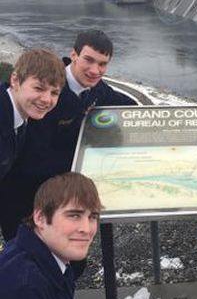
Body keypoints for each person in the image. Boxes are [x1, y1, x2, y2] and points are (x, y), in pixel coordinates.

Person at [0, 29, 137, 241]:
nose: (94, 70)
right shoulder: (50, 85)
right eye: (88, 60)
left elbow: (121, 102)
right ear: (74, 55)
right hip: (24, 193)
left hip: (58, 194)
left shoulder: (94, 89)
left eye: (102, 64)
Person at [0, 172, 110, 299]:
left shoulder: (45, 251)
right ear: (40, 218)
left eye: (92, 217)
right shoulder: (25, 287)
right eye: (74, 215)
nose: (86, 229)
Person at [0, 48, 65, 183]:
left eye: (54, 93)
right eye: (38, 88)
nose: (47, 99)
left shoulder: (19, 119)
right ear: (15, 80)